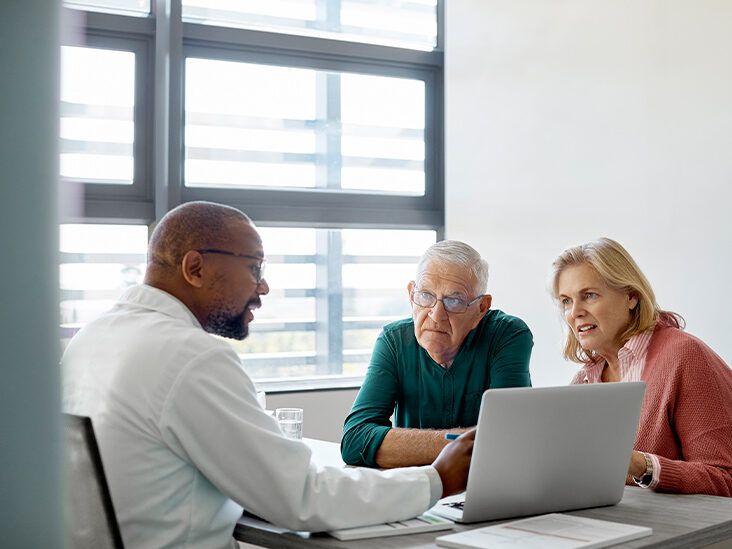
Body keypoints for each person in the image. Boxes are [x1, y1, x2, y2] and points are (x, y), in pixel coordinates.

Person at [61, 201, 476, 549]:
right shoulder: (189, 356)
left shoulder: (93, 338)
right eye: (254, 267)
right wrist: (435, 479)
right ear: (195, 267)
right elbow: (301, 497)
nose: (264, 287)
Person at [551, 237, 732, 497]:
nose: (575, 312)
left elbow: (725, 479)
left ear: (631, 297)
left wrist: (641, 465)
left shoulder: (684, 356)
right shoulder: (585, 379)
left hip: (683, 534)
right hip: (614, 526)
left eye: (589, 295)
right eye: (566, 301)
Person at [341, 240, 533, 468]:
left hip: (483, 490)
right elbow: (355, 441)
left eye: (454, 301)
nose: (436, 315)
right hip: (414, 489)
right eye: (425, 295)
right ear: (411, 293)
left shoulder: (506, 335)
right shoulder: (394, 341)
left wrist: (405, 446)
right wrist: (473, 441)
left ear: (481, 308)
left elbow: (510, 439)